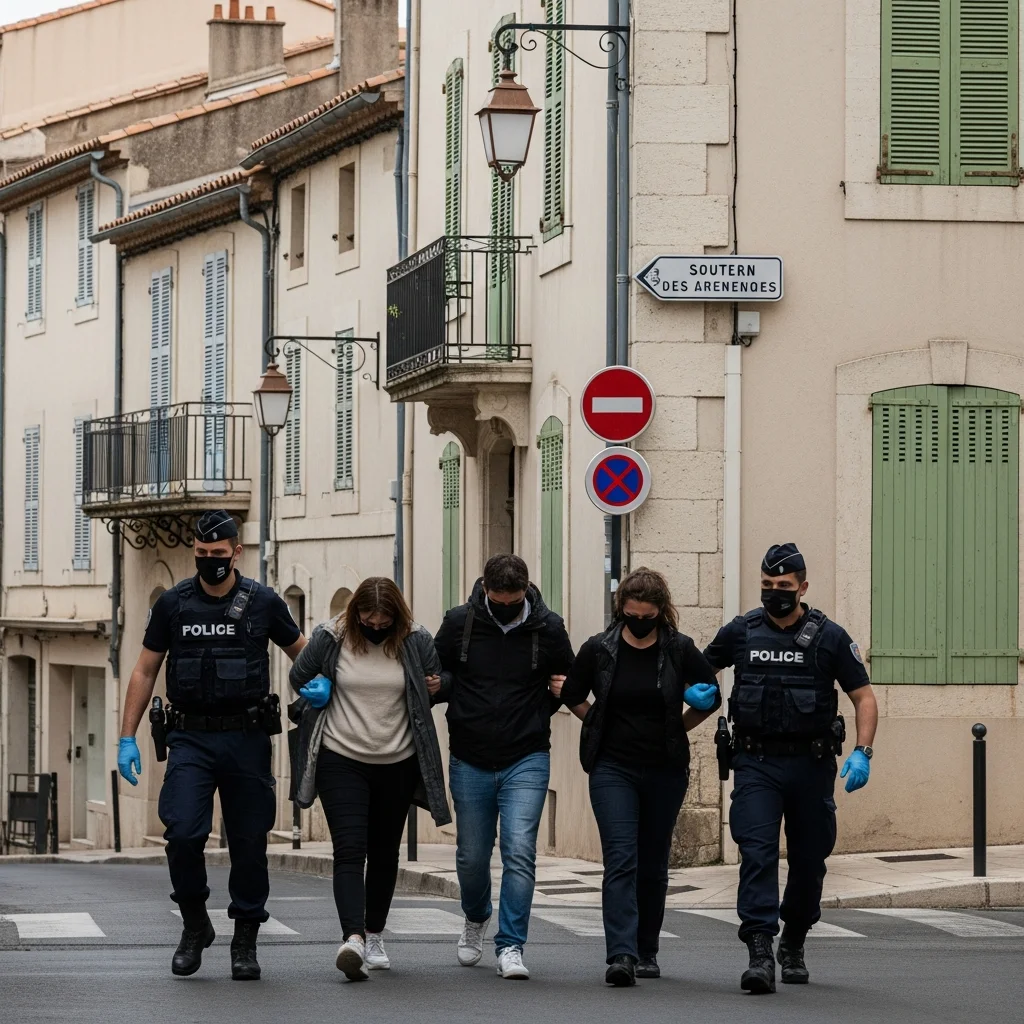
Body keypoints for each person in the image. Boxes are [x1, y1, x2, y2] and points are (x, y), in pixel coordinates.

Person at [116, 510, 306, 981]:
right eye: (201, 555)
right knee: (182, 833)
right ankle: (196, 924)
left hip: (246, 737)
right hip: (190, 738)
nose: (209, 562)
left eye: (218, 555)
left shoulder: (262, 602)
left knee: (247, 844)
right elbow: (144, 669)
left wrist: (315, 685)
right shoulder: (174, 604)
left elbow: (301, 651)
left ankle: (245, 940)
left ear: (236, 552)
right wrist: (126, 737)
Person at [703, 543, 878, 994]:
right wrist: (696, 692)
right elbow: (698, 667)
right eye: (767, 585)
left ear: (802, 587)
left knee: (808, 860)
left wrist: (864, 751)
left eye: (783, 586)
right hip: (755, 762)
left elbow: (864, 697)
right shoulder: (742, 631)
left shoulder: (831, 637)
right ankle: (760, 951)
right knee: (756, 853)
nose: (774, 593)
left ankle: (794, 939)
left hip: (811, 764)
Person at [557, 567, 721, 987]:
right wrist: (596, 721)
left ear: (661, 612)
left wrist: (681, 722)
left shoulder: (680, 648)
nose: (641, 623)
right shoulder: (599, 649)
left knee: (652, 862)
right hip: (613, 767)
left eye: (649, 617)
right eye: (633, 615)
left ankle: (647, 949)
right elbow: (572, 693)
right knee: (621, 858)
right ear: (621, 610)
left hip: (665, 767)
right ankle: (622, 954)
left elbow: (711, 696)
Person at [288, 577, 452, 981]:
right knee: (349, 848)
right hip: (340, 756)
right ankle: (354, 938)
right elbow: (298, 675)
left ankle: (375, 933)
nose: (375, 626)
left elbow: (438, 682)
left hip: (398, 760)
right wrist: (315, 688)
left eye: (383, 620)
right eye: (367, 618)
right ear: (355, 612)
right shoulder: (331, 637)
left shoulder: (415, 639)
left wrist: (439, 684)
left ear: (396, 616)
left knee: (384, 853)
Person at [433, 553, 575, 980]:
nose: (506, 607)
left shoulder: (548, 627)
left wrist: (560, 691)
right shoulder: (460, 622)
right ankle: (476, 916)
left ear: (526, 590)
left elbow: (568, 680)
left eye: (514, 600)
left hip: (527, 756)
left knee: (519, 851)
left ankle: (511, 944)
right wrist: (443, 686)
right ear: (485, 589)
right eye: (499, 600)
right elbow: (438, 674)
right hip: (470, 755)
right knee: (472, 856)